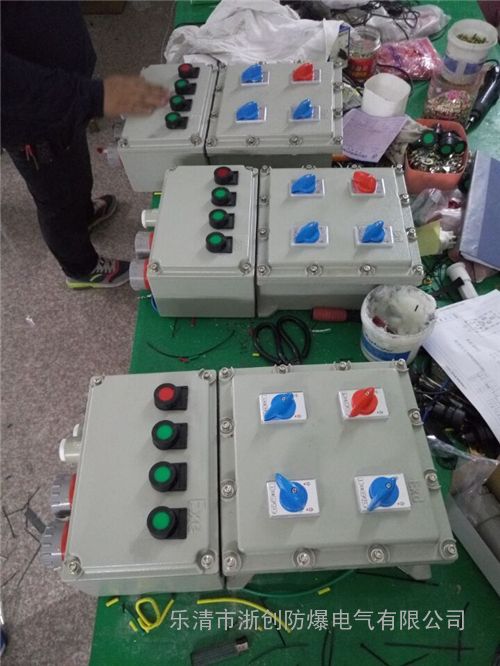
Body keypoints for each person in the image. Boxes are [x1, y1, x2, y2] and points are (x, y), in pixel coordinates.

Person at [1, 1, 169, 288]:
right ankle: (80, 268)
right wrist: (95, 96)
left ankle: (83, 214)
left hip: (62, 88)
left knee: (73, 164)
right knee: (56, 198)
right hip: (31, 116)